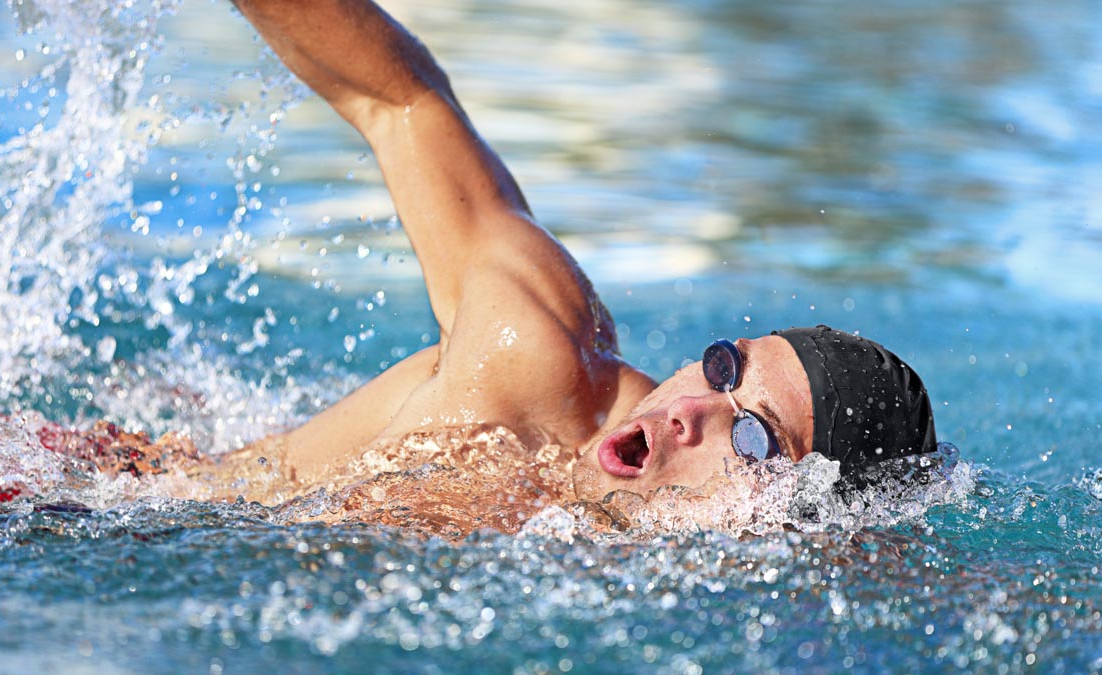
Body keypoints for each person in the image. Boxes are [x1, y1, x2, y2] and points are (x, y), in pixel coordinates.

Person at [209, 0, 937, 509]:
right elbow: (401, 103)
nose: (689, 410)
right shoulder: (531, 366)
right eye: (725, 368)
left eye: (753, 436)